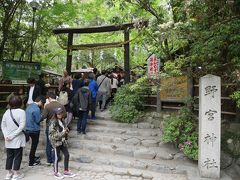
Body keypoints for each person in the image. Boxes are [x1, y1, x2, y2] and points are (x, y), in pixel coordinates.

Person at [1, 95, 26, 180]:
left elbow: (3, 125)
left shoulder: (7, 112)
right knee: (18, 156)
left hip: (8, 139)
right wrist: (12, 136)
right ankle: (16, 174)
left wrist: (6, 136)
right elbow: (22, 126)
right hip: (17, 138)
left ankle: (8, 173)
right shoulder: (22, 112)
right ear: (20, 102)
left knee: (9, 156)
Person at [49, 107, 76, 179]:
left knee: (67, 155)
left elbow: (64, 129)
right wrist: (63, 132)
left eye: (61, 113)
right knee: (56, 158)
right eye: (58, 113)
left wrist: (66, 130)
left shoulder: (62, 120)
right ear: (55, 114)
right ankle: (56, 172)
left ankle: (66, 171)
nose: (60, 114)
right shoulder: (53, 122)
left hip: (63, 141)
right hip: (56, 142)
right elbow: (53, 135)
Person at [42, 92, 67, 165]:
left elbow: (44, 116)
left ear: (49, 98)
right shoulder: (61, 105)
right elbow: (65, 115)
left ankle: (49, 160)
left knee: (49, 143)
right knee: (57, 143)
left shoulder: (47, 106)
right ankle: (56, 159)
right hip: (59, 127)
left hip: (49, 126)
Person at [25, 96, 45, 166]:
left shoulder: (29, 106)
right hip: (34, 129)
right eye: (42, 103)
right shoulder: (37, 109)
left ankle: (32, 157)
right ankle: (31, 162)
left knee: (33, 145)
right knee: (34, 146)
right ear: (40, 101)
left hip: (27, 128)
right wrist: (42, 116)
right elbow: (38, 120)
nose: (42, 105)